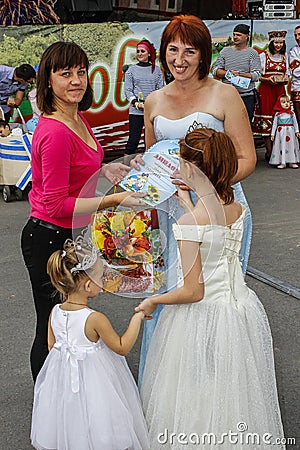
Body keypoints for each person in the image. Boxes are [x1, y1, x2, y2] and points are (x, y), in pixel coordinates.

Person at [136, 128, 285, 450]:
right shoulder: (236, 208)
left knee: (193, 392)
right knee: (232, 391)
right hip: (239, 308)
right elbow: (216, 236)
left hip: (200, 316)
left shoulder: (190, 225)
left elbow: (193, 291)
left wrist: (153, 300)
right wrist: (189, 202)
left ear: (191, 169)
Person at [135, 14, 257, 385]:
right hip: (174, 216)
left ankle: (217, 390)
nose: (180, 59)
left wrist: (205, 188)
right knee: (175, 296)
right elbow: (154, 158)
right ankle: (178, 391)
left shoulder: (225, 94)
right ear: (163, 53)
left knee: (215, 302)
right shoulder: (154, 101)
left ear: (204, 55)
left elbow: (247, 158)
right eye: (173, 49)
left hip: (220, 213)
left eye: (190, 51)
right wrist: (142, 170)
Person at [21, 41, 145, 382]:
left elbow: (81, 163)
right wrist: (112, 200)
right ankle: (48, 401)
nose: (76, 81)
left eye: (81, 72)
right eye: (65, 74)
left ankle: (69, 395)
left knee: (73, 318)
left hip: (72, 233)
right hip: (48, 236)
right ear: (47, 82)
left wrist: (104, 169)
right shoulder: (56, 131)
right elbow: (57, 203)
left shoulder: (77, 117)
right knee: (51, 322)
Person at [31, 237, 150, 450]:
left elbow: (52, 347)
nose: (104, 281)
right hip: (96, 384)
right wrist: (137, 318)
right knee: (97, 422)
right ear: (87, 285)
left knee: (72, 422)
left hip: (63, 383)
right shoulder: (94, 318)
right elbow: (121, 346)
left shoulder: (55, 312)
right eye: (100, 277)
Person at [212, 23, 262, 122]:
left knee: (245, 124)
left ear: (247, 36)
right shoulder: (225, 51)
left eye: (238, 35)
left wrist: (240, 74)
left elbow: (257, 75)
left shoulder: (252, 53)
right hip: (227, 95)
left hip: (246, 96)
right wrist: (227, 73)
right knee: (226, 123)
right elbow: (215, 70)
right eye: (234, 34)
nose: (235, 37)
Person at [253, 30, 289, 161]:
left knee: (280, 120)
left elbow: (288, 75)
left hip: (280, 91)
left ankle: (280, 152)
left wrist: (285, 79)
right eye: (276, 42)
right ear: (271, 43)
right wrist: (269, 80)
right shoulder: (264, 56)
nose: (278, 45)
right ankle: (270, 152)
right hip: (266, 91)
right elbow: (259, 76)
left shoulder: (285, 57)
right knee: (266, 123)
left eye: (280, 42)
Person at [124, 39, 164, 156]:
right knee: (133, 141)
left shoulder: (156, 70)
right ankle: (124, 168)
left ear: (149, 53)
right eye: (138, 51)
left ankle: (149, 167)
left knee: (151, 142)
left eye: (142, 51)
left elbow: (160, 89)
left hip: (152, 111)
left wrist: (153, 103)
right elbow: (128, 90)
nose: (139, 54)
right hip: (136, 112)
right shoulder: (131, 70)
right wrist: (135, 102)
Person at [270, 94, 300, 169]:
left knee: (291, 145)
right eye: (283, 102)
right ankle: (282, 161)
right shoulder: (278, 114)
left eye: (287, 102)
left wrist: (297, 131)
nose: (286, 104)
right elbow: (274, 125)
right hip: (281, 133)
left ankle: (292, 161)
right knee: (282, 146)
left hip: (290, 132)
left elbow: (295, 123)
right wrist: (272, 134)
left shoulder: (292, 113)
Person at [288, 25, 300, 128]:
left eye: (299, 34)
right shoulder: (293, 51)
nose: (297, 38)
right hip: (298, 89)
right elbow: (295, 72)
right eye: (295, 35)